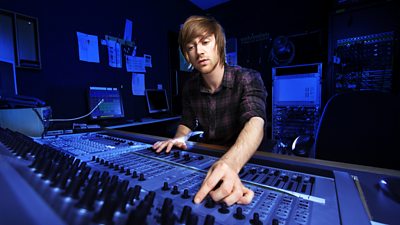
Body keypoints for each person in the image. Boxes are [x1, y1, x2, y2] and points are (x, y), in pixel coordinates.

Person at [152, 15, 267, 206]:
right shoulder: (190, 87)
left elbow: (255, 121)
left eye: (205, 42)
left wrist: (231, 163)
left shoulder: (247, 77)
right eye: (190, 47)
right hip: (209, 155)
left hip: (242, 157)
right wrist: (179, 138)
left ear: (219, 44)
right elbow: (186, 122)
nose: (199, 51)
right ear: (187, 56)